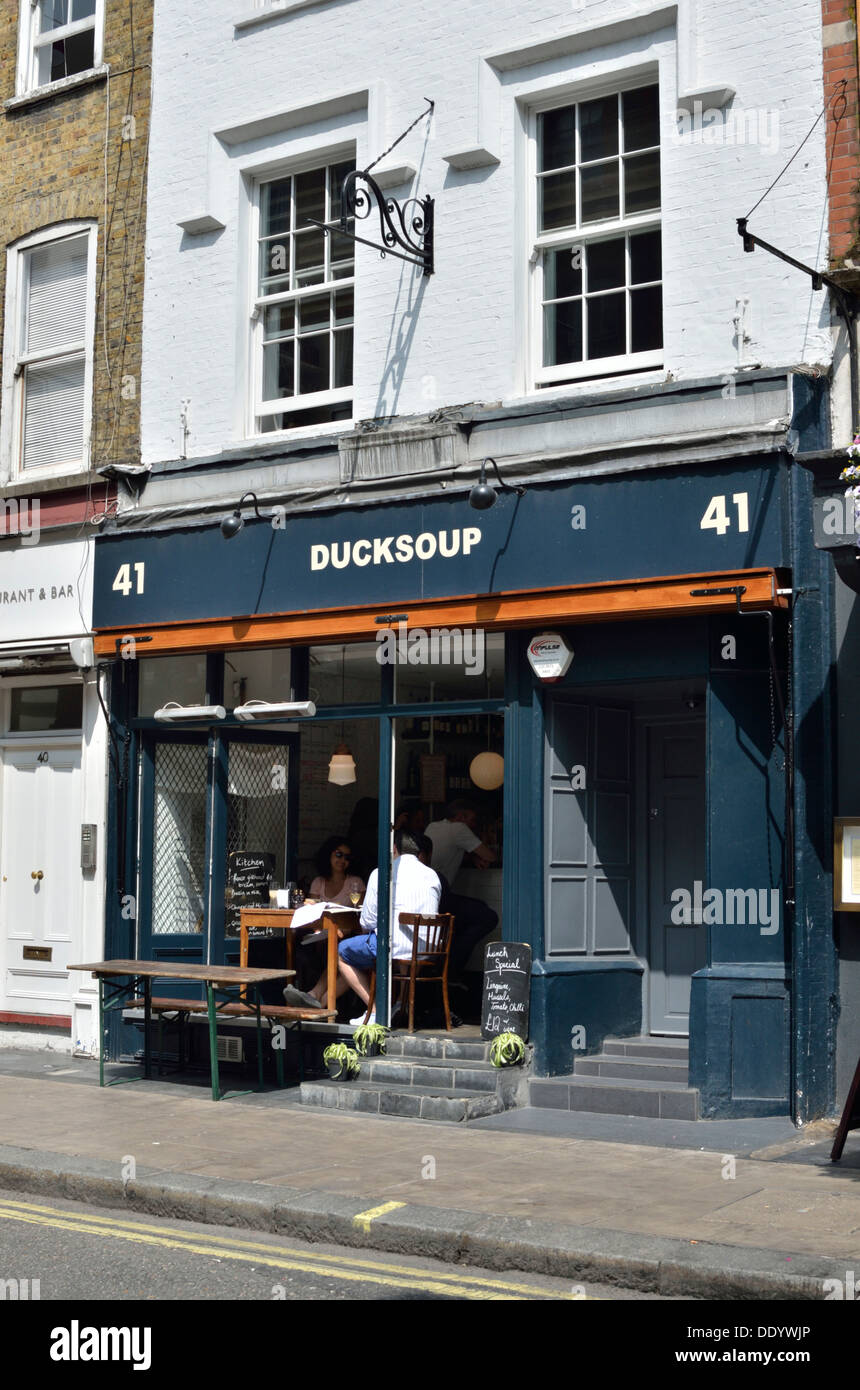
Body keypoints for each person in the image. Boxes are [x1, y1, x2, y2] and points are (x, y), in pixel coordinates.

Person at [306, 829, 441, 1022]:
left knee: (342, 952)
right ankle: (400, 1007)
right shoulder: (432, 875)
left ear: (394, 849)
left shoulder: (381, 873)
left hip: (391, 947)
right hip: (425, 948)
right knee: (403, 949)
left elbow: (367, 921)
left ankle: (376, 1012)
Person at [417, 833, 498, 985]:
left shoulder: (384, 876)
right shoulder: (432, 877)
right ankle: (450, 968)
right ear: (424, 855)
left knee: (477, 912)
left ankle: (450, 965)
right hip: (426, 942)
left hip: (403, 942)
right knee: (486, 916)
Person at [425, 799, 497, 884]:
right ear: (461, 816)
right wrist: (486, 834)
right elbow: (491, 857)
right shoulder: (460, 828)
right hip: (439, 890)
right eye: (472, 820)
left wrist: (473, 858)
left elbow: (448, 851)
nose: (474, 824)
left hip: (424, 887)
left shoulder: (432, 825)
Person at [308, 836, 365, 906]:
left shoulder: (356, 882)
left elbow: (360, 912)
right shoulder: (318, 882)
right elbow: (314, 911)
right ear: (328, 855)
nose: (343, 860)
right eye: (339, 854)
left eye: (347, 857)